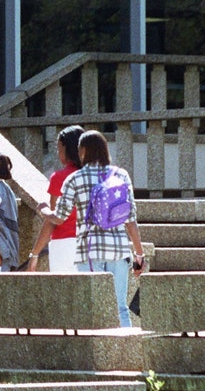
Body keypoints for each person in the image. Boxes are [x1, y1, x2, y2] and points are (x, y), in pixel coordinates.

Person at [27, 130, 146, 327]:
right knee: (120, 307)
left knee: (96, 308)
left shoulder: (75, 179)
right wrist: (139, 254)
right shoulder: (121, 174)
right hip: (119, 250)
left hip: (89, 251)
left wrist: (43, 210)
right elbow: (130, 219)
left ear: (82, 151)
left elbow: (58, 217)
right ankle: (125, 351)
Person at [33, 125, 84, 272]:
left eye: (59, 148)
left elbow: (53, 219)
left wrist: (35, 253)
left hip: (64, 244)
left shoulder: (60, 177)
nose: (58, 153)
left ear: (68, 149)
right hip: (91, 244)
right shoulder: (94, 177)